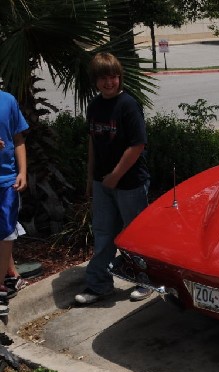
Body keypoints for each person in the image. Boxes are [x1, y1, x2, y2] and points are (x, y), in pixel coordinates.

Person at [75, 52, 151, 304]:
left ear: (119, 77)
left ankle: (145, 280)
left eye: (113, 77)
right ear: (95, 81)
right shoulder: (95, 106)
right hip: (102, 182)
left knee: (136, 235)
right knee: (103, 233)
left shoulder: (128, 104)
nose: (109, 82)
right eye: (103, 78)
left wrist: (115, 176)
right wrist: (91, 178)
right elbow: (92, 143)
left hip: (130, 184)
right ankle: (98, 285)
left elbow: (138, 145)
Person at [0, 90, 28, 315]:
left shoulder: (8, 100)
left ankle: (1, 286)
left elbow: (18, 139)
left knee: (7, 232)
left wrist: (23, 172)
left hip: (7, 180)